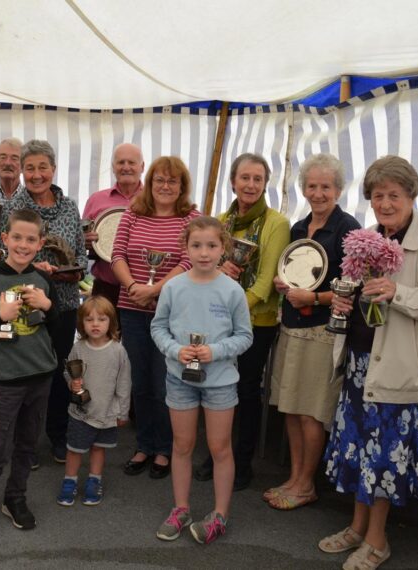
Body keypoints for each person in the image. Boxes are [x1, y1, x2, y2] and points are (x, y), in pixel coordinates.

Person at [321, 156, 418, 570]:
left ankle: (377, 541)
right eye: (377, 196)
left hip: (403, 369)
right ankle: (356, 528)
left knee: (384, 456)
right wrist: (345, 300)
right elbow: (364, 297)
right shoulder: (369, 237)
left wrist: (399, 293)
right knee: (358, 451)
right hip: (361, 363)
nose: (385, 203)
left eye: (394, 195)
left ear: (411, 196)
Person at [265, 153, 361, 510]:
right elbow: (296, 275)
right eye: (312, 186)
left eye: (325, 186)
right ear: (303, 188)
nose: (318, 193)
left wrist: (316, 297)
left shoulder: (349, 229)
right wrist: (283, 284)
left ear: (338, 189)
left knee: (311, 411)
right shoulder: (298, 228)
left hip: (322, 332)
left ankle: (306, 484)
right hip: (292, 325)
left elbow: (355, 286)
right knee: (290, 407)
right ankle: (294, 476)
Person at [151, 216, 252, 545]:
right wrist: (175, 349)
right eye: (197, 245)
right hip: (180, 379)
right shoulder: (173, 286)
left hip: (221, 382)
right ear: (186, 247)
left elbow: (244, 337)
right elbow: (158, 328)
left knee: (220, 447)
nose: (204, 252)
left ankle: (220, 514)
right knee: (181, 446)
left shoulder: (233, 290)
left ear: (223, 248)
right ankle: (181, 508)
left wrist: (216, 350)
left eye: (211, 245)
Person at [0, 208, 60, 542]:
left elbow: (59, 327)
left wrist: (48, 307)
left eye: (30, 239)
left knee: (27, 446)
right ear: (4, 239)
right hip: (7, 378)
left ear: (40, 244)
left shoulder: (43, 280)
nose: (23, 244)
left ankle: (14, 498)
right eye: (16, 237)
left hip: (41, 375)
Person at [194, 152, 290, 490]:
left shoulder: (277, 224)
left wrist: (235, 311)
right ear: (233, 181)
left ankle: (243, 462)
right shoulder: (220, 221)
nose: (250, 184)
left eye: (257, 179)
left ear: (265, 184)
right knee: (217, 388)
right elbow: (206, 268)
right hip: (220, 323)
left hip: (255, 324)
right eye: (244, 178)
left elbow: (266, 282)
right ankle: (215, 455)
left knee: (246, 391)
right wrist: (219, 270)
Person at [111, 156, 201, 479]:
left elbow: (190, 260)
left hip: (173, 313)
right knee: (140, 382)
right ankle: (143, 445)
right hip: (132, 307)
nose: (165, 186)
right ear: (149, 183)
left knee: (166, 383)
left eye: (172, 181)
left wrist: (156, 289)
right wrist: (135, 286)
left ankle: (165, 448)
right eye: (159, 180)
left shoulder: (192, 217)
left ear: (182, 187)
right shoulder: (133, 213)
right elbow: (117, 254)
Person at [0, 139, 87, 464]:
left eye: (42, 167)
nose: (36, 175)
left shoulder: (70, 206)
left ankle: (58, 435)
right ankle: (26, 443)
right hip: (25, 305)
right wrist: (35, 269)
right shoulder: (13, 208)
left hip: (63, 304)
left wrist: (72, 272)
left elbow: (80, 253)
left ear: (53, 168)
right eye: (30, 168)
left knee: (59, 371)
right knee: (28, 373)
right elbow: (2, 252)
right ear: (22, 171)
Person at [56, 296, 131, 507]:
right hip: (81, 411)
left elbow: (124, 383)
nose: (95, 324)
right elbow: (67, 371)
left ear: (112, 323)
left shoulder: (118, 351)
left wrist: (123, 412)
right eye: (89, 320)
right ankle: (69, 481)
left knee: (99, 448)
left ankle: (94, 481)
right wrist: (71, 382)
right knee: (74, 449)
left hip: (107, 412)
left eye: (102, 319)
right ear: (81, 324)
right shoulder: (78, 348)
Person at [82, 142, 145, 305]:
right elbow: (79, 238)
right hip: (106, 287)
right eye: (121, 162)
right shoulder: (96, 200)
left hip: (144, 288)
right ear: (113, 167)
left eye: (131, 162)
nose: (126, 167)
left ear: (142, 166)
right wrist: (85, 240)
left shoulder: (154, 200)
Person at [0, 138, 25, 205]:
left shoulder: (32, 198)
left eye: (14, 158)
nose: (8, 163)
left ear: (23, 165)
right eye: (3, 157)